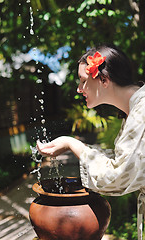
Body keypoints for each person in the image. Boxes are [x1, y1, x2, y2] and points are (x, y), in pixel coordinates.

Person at [36, 44, 145, 240]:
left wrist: (73, 144)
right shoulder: (136, 108)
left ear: (104, 79)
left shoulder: (142, 110)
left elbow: (117, 176)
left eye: (83, 81)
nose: (79, 89)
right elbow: (125, 161)